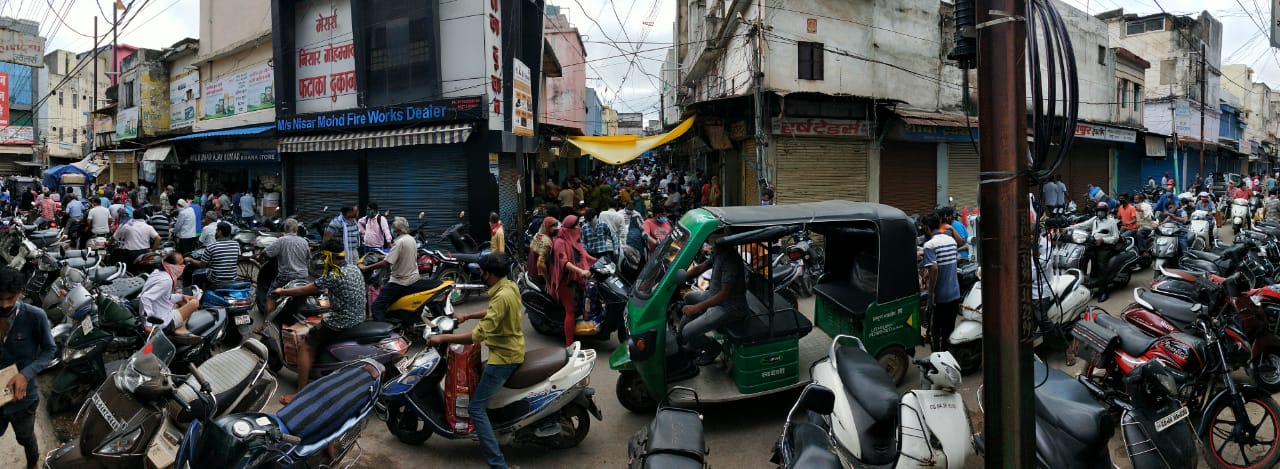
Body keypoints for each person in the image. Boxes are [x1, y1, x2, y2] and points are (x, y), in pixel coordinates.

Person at [426, 253, 523, 469]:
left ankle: (498, 465)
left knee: (475, 409)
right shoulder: (509, 287)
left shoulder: (501, 296)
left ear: (489, 273)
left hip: (504, 357)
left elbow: (475, 336)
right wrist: (467, 316)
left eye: (481, 270)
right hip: (513, 348)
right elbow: (493, 313)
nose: (480, 274)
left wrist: (442, 337)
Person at [272, 239, 366, 403]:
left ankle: (299, 393)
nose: (322, 261)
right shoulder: (353, 268)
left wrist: (283, 291)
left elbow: (303, 290)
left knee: (306, 344)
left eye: (324, 257)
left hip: (341, 322)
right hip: (359, 318)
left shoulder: (333, 275)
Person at [0, 266, 54, 469]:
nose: (4, 305)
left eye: (10, 299)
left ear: (20, 293)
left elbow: (50, 350)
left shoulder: (35, 316)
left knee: (26, 437)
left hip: (23, 399)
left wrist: (25, 374)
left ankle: (33, 464)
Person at [679, 239, 749, 365]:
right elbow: (701, 267)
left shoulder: (730, 261)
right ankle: (695, 336)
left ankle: (713, 349)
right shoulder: (719, 253)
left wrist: (697, 307)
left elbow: (724, 294)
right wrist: (681, 277)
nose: (710, 245)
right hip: (713, 295)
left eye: (713, 242)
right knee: (688, 297)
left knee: (687, 332)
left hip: (729, 306)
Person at [362, 217, 429, 322]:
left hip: (400, 281)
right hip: (413, 278)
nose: (391, 230)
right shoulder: (411, 239)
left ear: (397, 230)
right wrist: (382, 257)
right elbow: (398, 256)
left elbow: (386, 263)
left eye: (392, 228)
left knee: (376, 306)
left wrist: (366, 268)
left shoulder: (399, 242)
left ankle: (382, 330)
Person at [549, 215, 595, 345]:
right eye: (576, 226)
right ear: (569, 228)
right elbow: (564, 262)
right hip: (565, 281)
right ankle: (570, 345)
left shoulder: (575, 239)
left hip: (578, 278)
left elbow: (584, 255)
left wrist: (600, 262)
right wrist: (581, 271)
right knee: (570, 311)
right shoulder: (560, 242)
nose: (579, 228)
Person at [921, 214, 961, 352]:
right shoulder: (951, 240)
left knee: (933, 331)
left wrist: (931, 294)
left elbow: (934, 267)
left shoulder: (929, 245)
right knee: (948, 332)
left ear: (926, 228)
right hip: (955, 294)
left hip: (940, 298)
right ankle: (946, 359)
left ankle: (936, 359)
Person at [140, 252, 200, 335]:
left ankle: (181, 327)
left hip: (160, 310)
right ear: (172, 266)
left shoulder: (158, 273)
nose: (183, 266)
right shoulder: (166, 281)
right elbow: (145, 298)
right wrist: (148, 325)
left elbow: (166, 297)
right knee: (194, 302)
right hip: (161, 322)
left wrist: (182, 297)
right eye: (181, 264)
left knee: (183, 301)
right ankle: (180, 329)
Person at [262, 218, 311, 313]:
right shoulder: (304, 241)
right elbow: (308, 257)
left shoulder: (281, 240)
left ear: (285, 229)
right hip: (303, 277)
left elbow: (267, 253)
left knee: (271, 296)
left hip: (286, 277)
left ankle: (264, 324)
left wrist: (260, 256)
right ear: (296, 229)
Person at [187, 222, 240, 287]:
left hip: (216, 280)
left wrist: (190, 260)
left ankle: (197, 294)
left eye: (216, 230)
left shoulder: (211, 247)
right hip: (232, 279)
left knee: (196, 275)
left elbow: (202, 265)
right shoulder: (236, 245)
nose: (215, 232)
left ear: (220, 232)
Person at [527, 217, 557, 284]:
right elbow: (541, 264)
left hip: (531, 269)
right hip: (539, 276)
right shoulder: (547, 242)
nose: (555, 228)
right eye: (552, 226)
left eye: (555, 225)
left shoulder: (537, 235)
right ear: (546, 227)